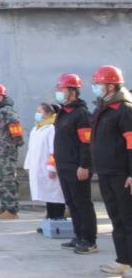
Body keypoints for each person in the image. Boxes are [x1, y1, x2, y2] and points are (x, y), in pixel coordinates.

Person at [90, 65, 132, 276]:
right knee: (116, 219)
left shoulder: (124, 109)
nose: (96, 87)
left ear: (111, 85)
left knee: (128, 219)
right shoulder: (102, 108)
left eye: (99, 83)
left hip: (122, 174)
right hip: (106, 172)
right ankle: (123, 260)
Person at [52, 73, 97, 255]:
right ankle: (78, 236)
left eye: (62, 89)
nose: (59, 92)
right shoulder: (64, 112)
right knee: (72, 203)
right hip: (64, 165)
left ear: (72, 91)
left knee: (82, 203)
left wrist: (84, 165)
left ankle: (89, 240)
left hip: (77, 167)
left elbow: (86, 142)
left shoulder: (81, 114)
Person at [24, 103, 67, 227]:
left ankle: (57, 220)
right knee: (48, 196)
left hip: (49, 169)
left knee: (55, 195)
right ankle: (50, 222)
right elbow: (31, 149)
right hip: (38, 167)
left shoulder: (52, 129)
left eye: (40, 111)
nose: (37, 114)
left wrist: (52, 168)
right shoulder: (36, 129)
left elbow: (53, 150)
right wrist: (28, 165)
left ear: (48, 114)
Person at [0, 83, 24, 219]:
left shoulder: (7, 111)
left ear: (0, 96)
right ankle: (4, 207)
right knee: (0, 180)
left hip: (6, 151)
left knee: (8, 180)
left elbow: (16, 128)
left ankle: (12, 210)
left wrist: (15, 143)